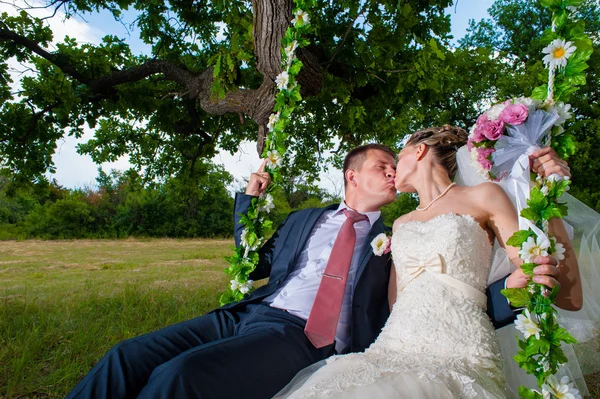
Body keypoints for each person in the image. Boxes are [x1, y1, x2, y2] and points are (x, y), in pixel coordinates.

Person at [65, 143, 569, 399]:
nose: (394, 173)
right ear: (352, 175)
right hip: (247, 312)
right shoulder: (305, 218)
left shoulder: (401, 236)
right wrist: (249, 201)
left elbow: (447, 291)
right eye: (382, 166)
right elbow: (255, 260)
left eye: (397, 166)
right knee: (125, 357)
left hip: (302, 334)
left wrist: (522, 289)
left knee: (179, 377)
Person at [276, 126, 582, 399]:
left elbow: (541, 269)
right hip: (393, 346)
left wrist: (544, 193)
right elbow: (397, 302)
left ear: (419, 150)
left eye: (397, 158)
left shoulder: (482, 196)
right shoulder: (400, 224)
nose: (392, 171)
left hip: (459, 348)